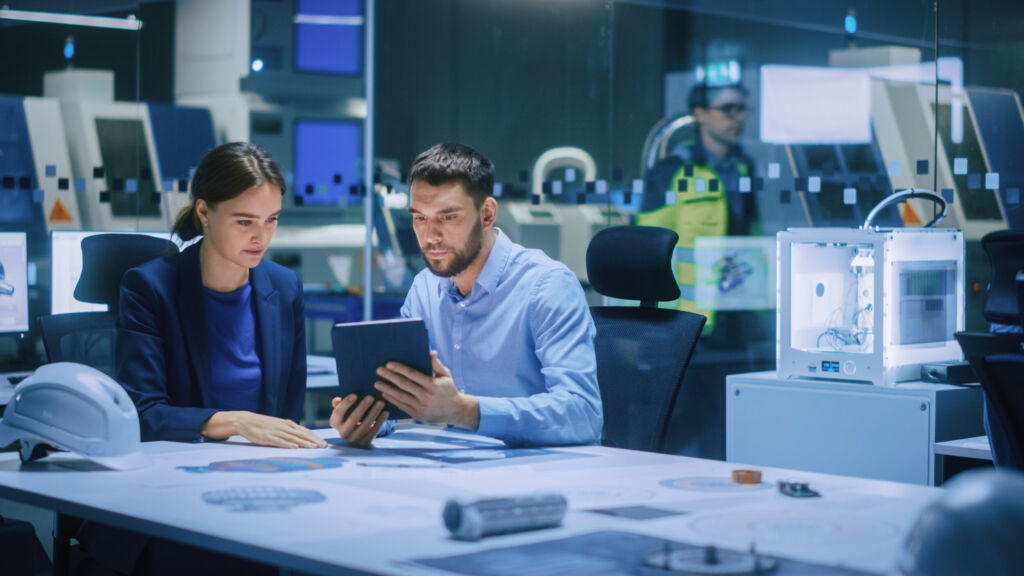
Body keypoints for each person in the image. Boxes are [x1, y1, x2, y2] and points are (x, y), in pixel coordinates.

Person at [330, 143, 603, 447]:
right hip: (456, 469)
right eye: (420, 218)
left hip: (541, 475)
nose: (431, 236)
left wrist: (466, 411)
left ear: (487, 215)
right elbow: (405, 395)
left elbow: (584, 415)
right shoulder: (425, 288)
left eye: (448, 218)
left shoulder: (547, 286)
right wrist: (368, 418)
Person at [637, 82, 759, 333]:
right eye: (728, 109)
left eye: (742, 109)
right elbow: (644, 254)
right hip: (687, 321)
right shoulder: (670, 171)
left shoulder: (744, 168)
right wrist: (637, 327)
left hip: (738, 313)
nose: (739, 117)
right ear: (700, 114)